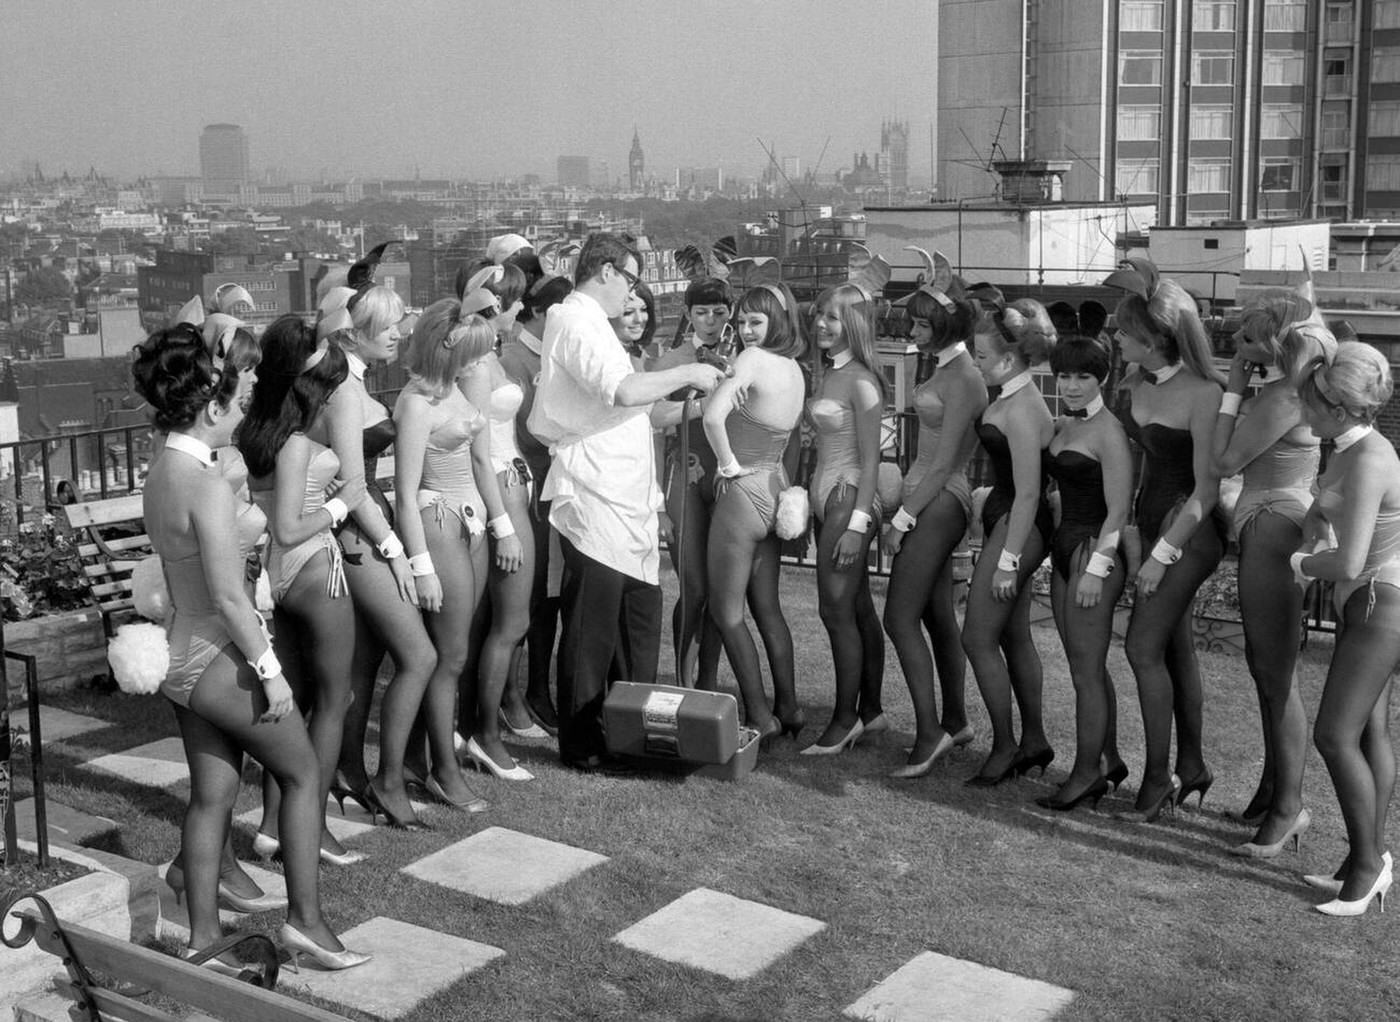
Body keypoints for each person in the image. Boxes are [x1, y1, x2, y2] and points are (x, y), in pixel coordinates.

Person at [134, 325, 367, 972]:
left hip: (178, 653)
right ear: (210, 406)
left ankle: (204, 939)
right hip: (218, 651)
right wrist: (272, 672)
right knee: (301, 773)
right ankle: (307, 925)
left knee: (212, 794)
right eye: (237, 400)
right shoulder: (204, 481)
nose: (245, 408)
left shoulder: (165, 469)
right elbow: (232, 599)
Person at [527, 233, 725, 771]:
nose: (633, 293)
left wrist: (691, 396)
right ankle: (582, 740)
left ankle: (634, 728)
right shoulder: (573, 319)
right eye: (631, 279)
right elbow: (621, 392)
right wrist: (686, 372)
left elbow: (633, 408)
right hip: (594, 491)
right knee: (592, 626)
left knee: (640, 616)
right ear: (609, 271)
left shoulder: (591, 323)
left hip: (626, 490)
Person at [241, 315, 376, 859]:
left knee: (290, 706)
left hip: (274, 576)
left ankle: (274, 826)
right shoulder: (296, 443)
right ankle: (312, 826)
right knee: (335, 698)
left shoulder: (252, 428)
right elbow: (292, 524)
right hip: (315, 569)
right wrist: (343, 503)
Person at [1212, 292, 1334, 856]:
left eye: (1247, 339)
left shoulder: (1283, 396)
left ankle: (1290, 807)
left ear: (1275, 344)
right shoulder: (1296, 390)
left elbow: (1223, 460)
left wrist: (1234, 385)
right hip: (1276, 521)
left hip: (1270, 524)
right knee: (1268, 669)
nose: (1238, 345)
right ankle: (1274, 791)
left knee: (1275, 672)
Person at [320, 268, 439, 831]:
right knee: (419, 656)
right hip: (359, 537)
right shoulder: (344, 390)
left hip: (368, 530)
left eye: (398, 324)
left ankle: (349, 773)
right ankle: (390, 778)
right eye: (386, 327)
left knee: (365, 665)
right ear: (353, 334)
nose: (398, 334)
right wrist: (396, 551)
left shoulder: (355, 381)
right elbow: (352, 484)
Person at [1110, 268, 1225, 823]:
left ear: (1155, 339)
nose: (1115, 338)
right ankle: (1194, 766)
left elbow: (1207, 490)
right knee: (1173, 647)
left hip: (1191, 533)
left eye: (1124, 333)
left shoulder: (1206, 393)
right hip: (1152, 524)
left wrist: (1159, 556)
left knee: (1141, 647)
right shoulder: (1134, 384)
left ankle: (1158, 780)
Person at [1294, 342, 1399, 915]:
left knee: (1334, 734)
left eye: (1309, 403)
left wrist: (1299, 564)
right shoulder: (1348, 449)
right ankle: (1364, 858)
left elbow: (1351, 562)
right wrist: (1315, 523)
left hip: (1381, 600)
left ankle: (1369, 865)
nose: (1302, 411)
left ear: (1337, 408)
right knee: (1365, 734)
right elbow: (1327, 510)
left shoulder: (1370, 458)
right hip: (1372, 600)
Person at [393, 296, 499, 804]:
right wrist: (422, 568)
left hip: (471, 524)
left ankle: (422, 761)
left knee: (455, 653)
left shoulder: (458, 391)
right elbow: (405, 492)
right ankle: (444, 768)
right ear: (446, 350)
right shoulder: (416, 403)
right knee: (449, 658)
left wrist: (501, 526)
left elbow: (481, 460)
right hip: (438, 526)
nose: (481, 363)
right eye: (473, 354)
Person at [881, 283, 985, 777]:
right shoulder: (946, 367)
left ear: (945, 327)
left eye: (922, 325)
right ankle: (957, 721)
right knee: (939, 615)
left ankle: (929, 734)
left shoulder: (963, 377)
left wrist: (902, 519)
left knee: (899, 619)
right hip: (928, 495)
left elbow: (945, 464)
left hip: (940, 500)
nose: (913, 331)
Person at [702, 282, 806, 740]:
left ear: (776, 322)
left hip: (743, 490)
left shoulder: (750, 361)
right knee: (768, 608)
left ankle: (761, 715)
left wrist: (726, 466)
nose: (744, 330)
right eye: (740, 321)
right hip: (776, 485)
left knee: (727, 612)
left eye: (755, 322)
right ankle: (791, 708)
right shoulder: (796, 369)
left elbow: (710, 416)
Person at [962, 301, 1057, 785]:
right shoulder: (1005, 397)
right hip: (1008, 516)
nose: (974, 360)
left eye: (980, 354)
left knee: (976, 637)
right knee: (1012, 634)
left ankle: (1004, 745)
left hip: (1021, 523)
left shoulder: (1021, 409)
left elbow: (1029, 492)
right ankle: (1034, 740)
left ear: (1008, 359)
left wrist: (1008, 561)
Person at [1040, 334, 1132, 810]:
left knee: (1085, 674)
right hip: (1065, 548)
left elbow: (1119, 510)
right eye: (1065, 376)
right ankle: (1109, 758)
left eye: (1084, 377)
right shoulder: (1064, 424)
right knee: (1085, 666)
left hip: (1095, 551)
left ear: (1103, 378)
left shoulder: (1110, 433)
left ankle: (1084, 774)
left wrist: (1097, 570)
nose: (1072, 386)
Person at [801, 282, 888, 755]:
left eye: (832, 317)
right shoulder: (829, 373)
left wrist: (857, 525)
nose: (820, 324)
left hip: (848, 496)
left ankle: (845, 719)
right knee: (856, 609)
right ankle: (871, 712)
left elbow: (872, 461)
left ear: (854, 323)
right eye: (818, 315)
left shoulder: (861, 380)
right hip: (825, 496)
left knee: (834, 610)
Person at [498, 272, 573, 734]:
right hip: (530, 487)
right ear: (542, 312)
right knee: (532, 597)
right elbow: (522, 430)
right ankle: (522, 694)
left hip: (558, 486)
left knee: (552, 594)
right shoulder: (514, 359)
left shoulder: (552, 353)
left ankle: (537, 689)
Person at [651, 274, 735, 688]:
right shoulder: (672, 362)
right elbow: (650, 423)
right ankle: (684, 682)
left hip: (724, 481)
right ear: (687, 315)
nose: (710, 321)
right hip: (682, 476)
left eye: (719, 312)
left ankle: (708, 683)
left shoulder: (742, 358)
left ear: (730, 313)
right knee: (695, 589)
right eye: (701, 312)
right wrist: (658, 505)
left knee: (721, 593)